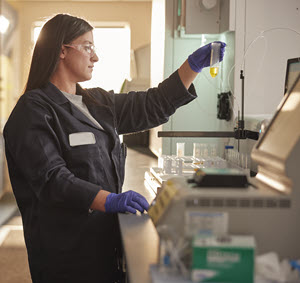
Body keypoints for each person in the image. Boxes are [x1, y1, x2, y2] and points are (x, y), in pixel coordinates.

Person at [3, 14, 226, 283]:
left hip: (104, 242)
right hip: (65, 254)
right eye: (87, 47)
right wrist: (109, 200)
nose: (94, 57)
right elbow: (52, 179)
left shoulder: (98, 102)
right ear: (62, 50)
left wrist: (192, 66)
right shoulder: (33, 111)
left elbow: (152, 104)